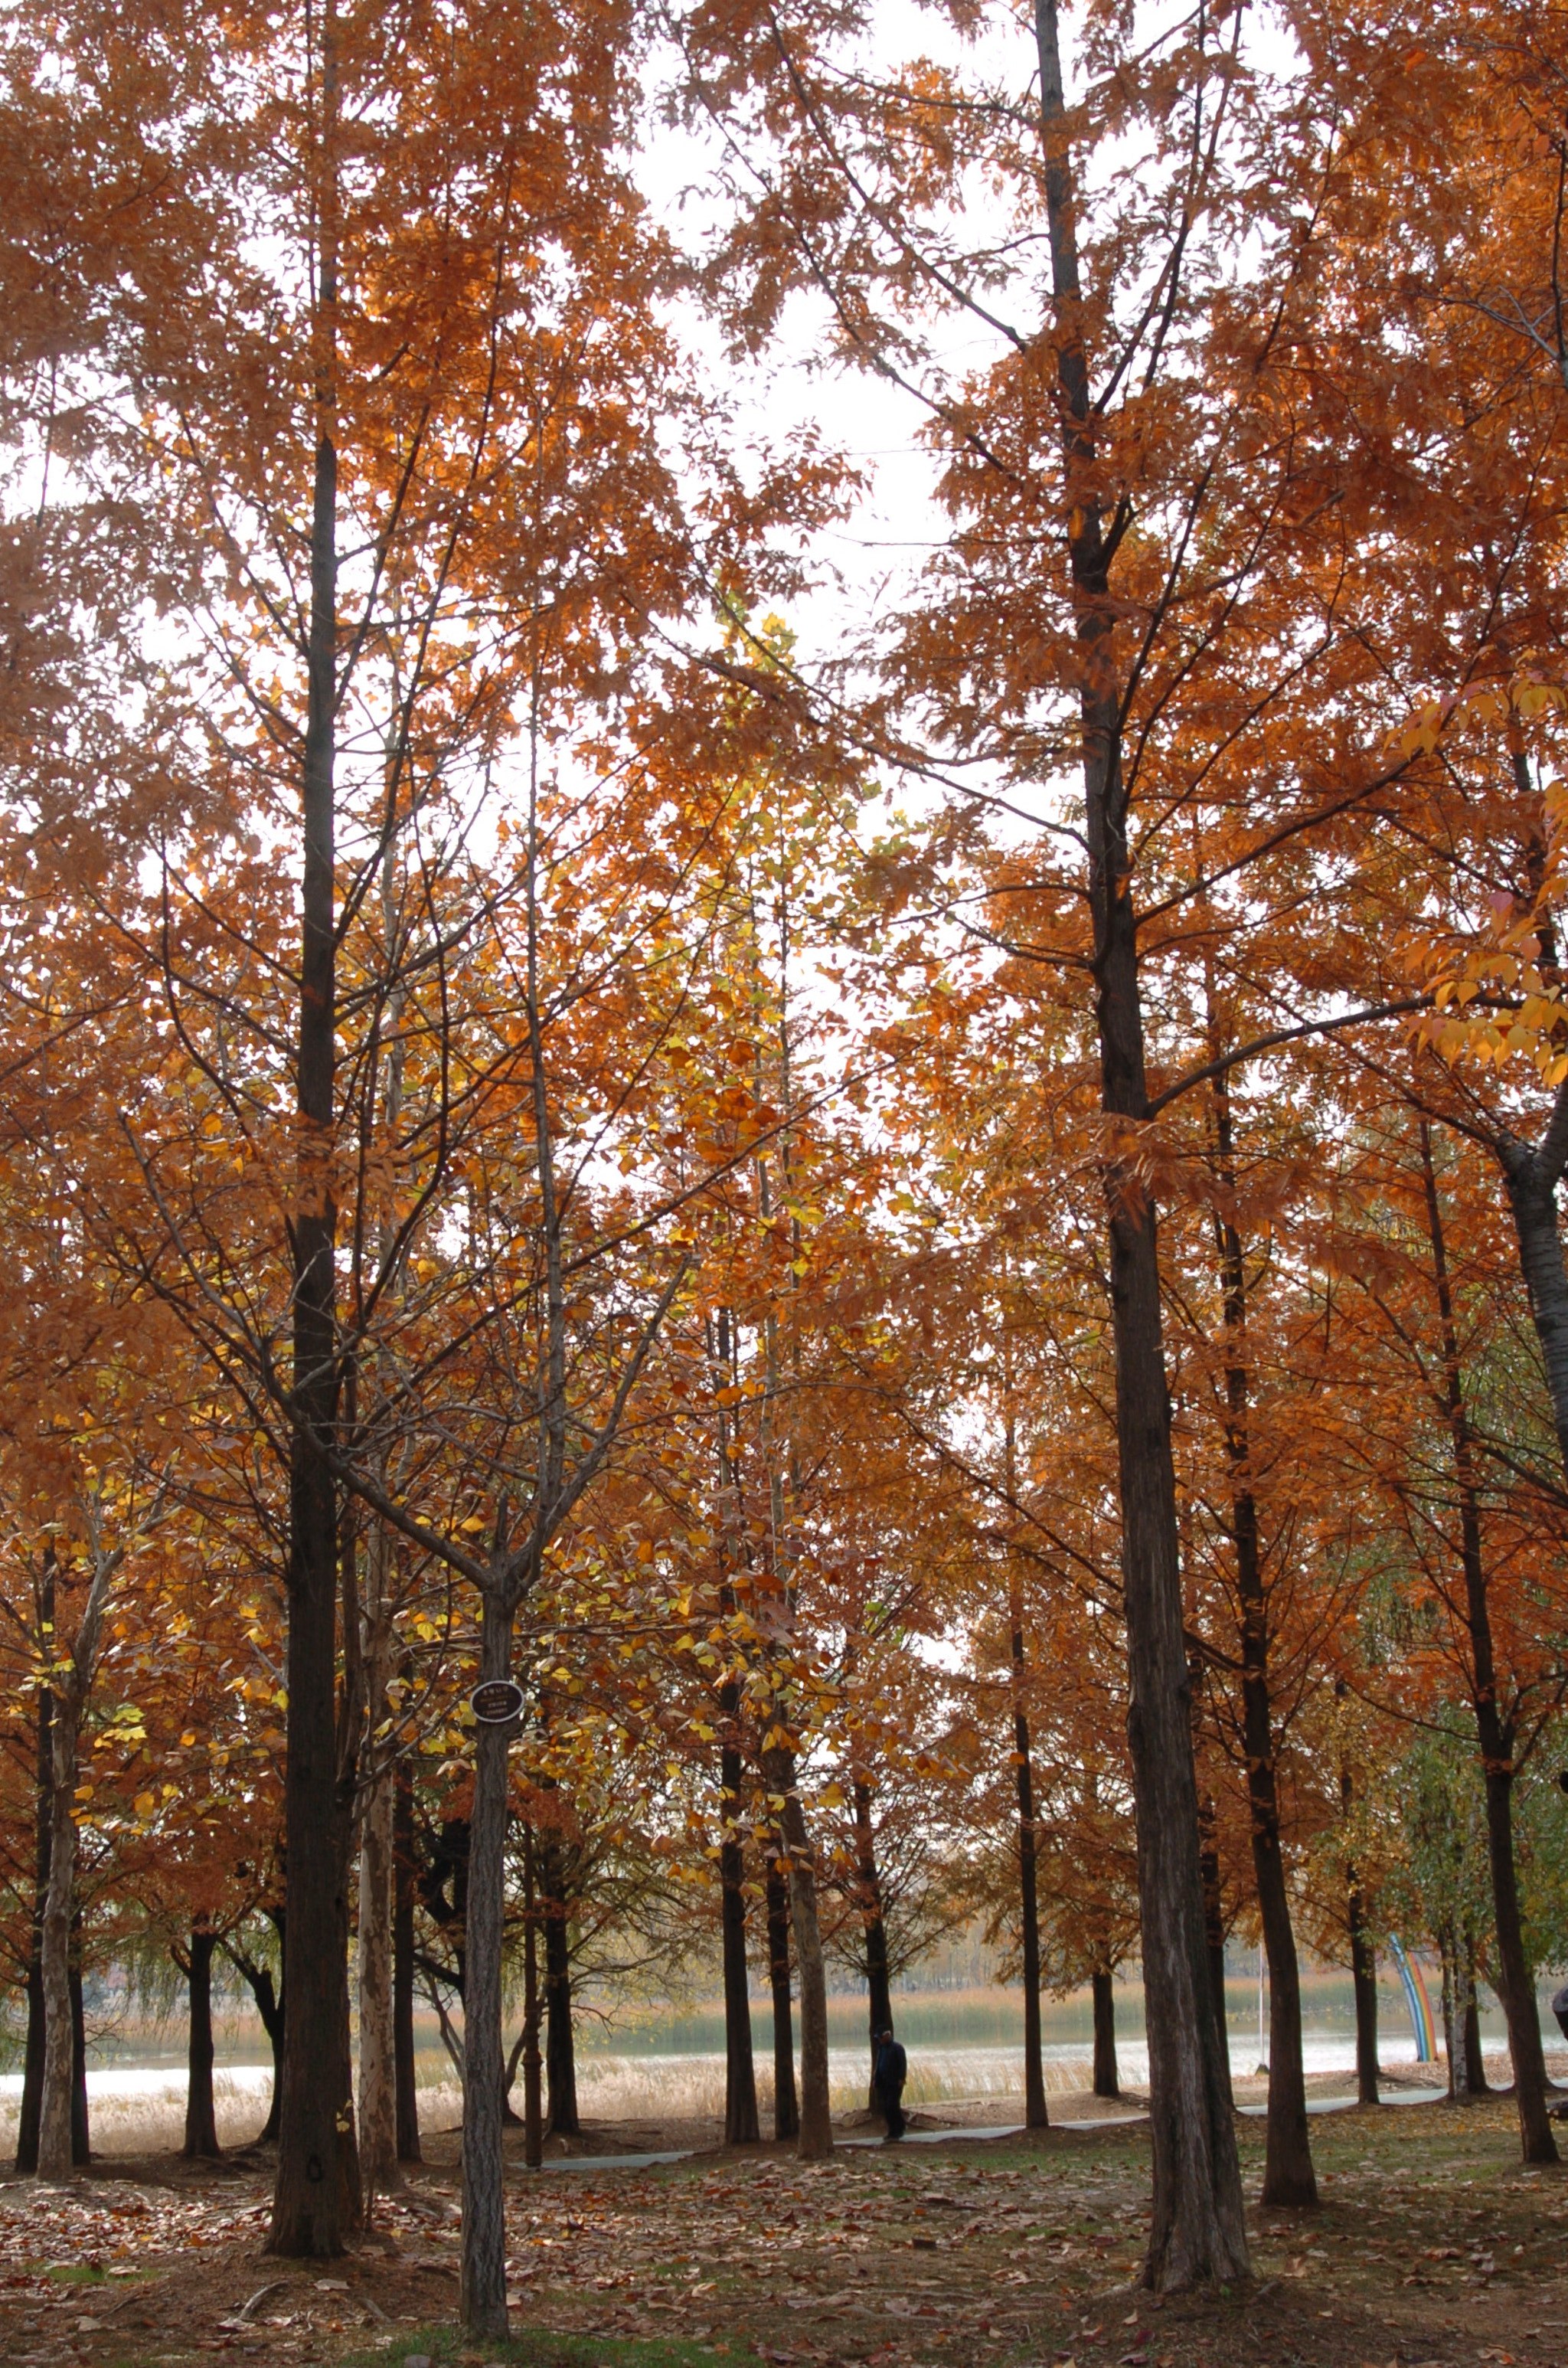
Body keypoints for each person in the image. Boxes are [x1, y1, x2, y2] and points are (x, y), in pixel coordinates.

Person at [873, 2027, 908, 2141]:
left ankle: (897, 2130)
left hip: (895, 2083)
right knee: (887, 2107)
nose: (880, 2040)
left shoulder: (898, 2048)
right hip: (884, 2083)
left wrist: (901, 2078)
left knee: (891, 2106)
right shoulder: (882, 2048)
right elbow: (878, 2065)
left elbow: (903, 2064)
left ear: (887, 2035)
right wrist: (875, 2079)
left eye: (881, 2037)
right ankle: (894, 2129)